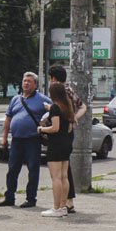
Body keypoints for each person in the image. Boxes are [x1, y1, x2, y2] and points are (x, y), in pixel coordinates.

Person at [0, 72, 49, 209]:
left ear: (35, 84)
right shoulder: (16, 99)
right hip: (16, 140)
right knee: (12, 169)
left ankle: (31, 198)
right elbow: (8, 118)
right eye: (25, 81)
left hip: (32, 139)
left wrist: (45, 123)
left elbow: (54, 112)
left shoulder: (42, 99)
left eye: (30, 81)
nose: (26, 83)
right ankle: (9, 197)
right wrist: (5, 137)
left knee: (33, 170)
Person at [47, 64, 87, 214]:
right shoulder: (69, 90)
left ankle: (62, 205)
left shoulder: (61, 90)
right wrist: (73, 118)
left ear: (54, 78)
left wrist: (72, 119)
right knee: (65, 170)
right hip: (67, 132)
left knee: (61, 173)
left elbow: (62, 110)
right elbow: (83, 107)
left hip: (60, 134)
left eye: (50, 78)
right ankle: (66, 203)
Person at [38, 80, 75, 217]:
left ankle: (56, 208)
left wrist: (41, 128)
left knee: (56, 178)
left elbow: (55, 128)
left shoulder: (55, 108)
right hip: (66, 144)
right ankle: (64, 206)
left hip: (56, 145)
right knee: (64, 177)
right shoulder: (67, 106)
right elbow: (70, 126)